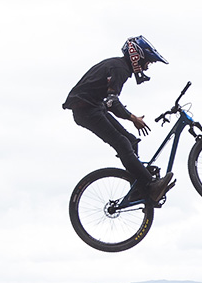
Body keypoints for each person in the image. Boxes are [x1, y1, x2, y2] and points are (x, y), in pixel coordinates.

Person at [63, 35, 174, 202]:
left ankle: (137, 189)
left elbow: (109, 102)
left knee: (131, 141)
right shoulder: (120, 68)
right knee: (122, 143)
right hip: (86, 110)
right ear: (138, 57)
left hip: (93, 108)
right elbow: (112, 102)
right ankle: (151, 185)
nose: (147, 67)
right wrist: (132, 118)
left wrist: (131, 117)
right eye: (148, 62)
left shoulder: (119, 65)